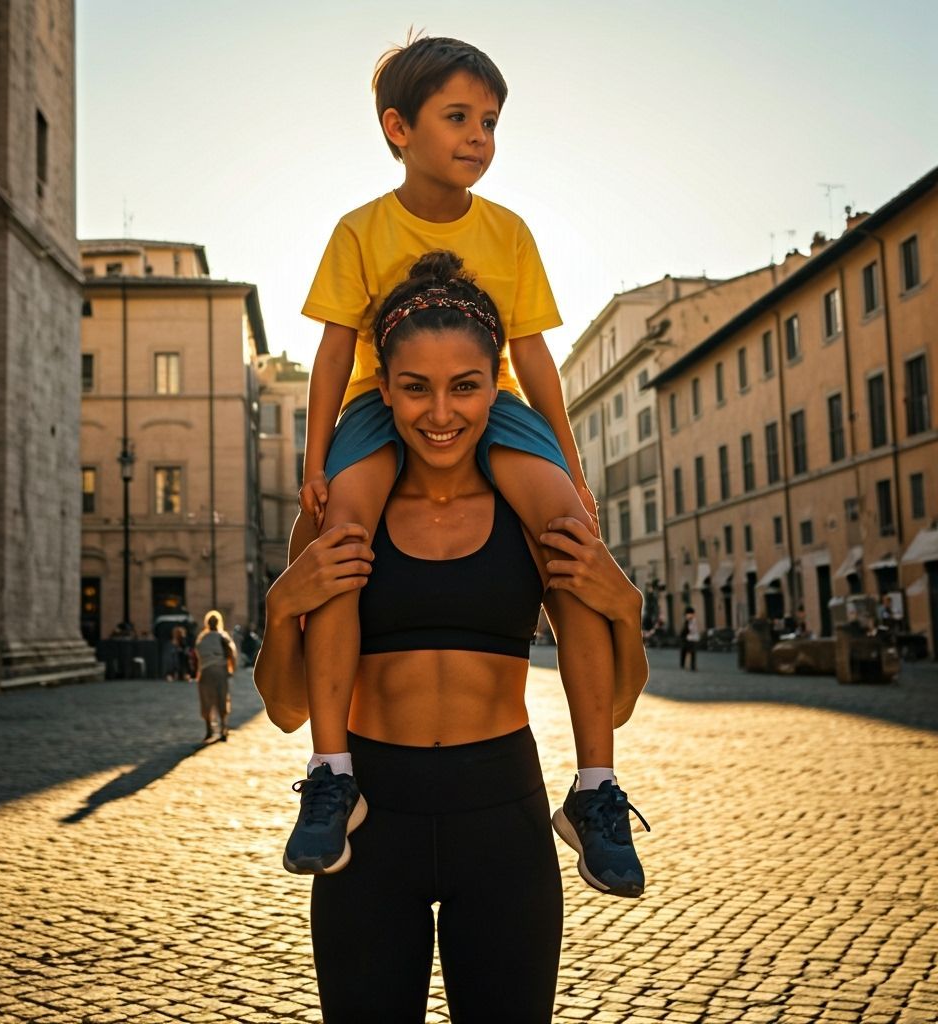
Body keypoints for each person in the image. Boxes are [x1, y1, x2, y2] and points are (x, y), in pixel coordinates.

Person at [255, 254, 650, 1022]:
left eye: (466, 387)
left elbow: (622, 700)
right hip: (367, 821)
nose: (442, 413)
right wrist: (280, 609)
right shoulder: (341, 509)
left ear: (495, 385)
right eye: (414, 388)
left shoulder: (537, 515)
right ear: (385, 391)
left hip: (500, 816)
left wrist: (626, 609)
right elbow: (284, 709)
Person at [289, 33, 629, 889]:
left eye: (489, 120)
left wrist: (571, 464)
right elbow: (333, 353)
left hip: (496, 408)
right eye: (457, 117)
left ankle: (596, 787)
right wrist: (316, 456)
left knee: (567, 541)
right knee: (340, 549)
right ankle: (332, 774)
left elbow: (535, 353)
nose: (478, 135)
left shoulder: (508, 233)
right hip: (377, 405)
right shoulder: (359, 229)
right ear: (398, 128)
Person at [195, 611, 237, 742]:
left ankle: (209, 731)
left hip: (206, 672)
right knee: (221, 700)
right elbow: (231, 653)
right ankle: (223, 730)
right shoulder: (222, 636)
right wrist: (231, 669)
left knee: (206, 702)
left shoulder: (202, 638)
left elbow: (198, 656)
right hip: (219, 672)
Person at [680, 606, 700, 670]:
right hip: (687, 638)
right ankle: (684, 664)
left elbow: (693, 630)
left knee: (692, 652)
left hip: (692, 638)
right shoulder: (687, 621)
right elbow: (685, 630)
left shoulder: (693, 620)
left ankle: (692, 666)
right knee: (684, 651)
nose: (688, 615)